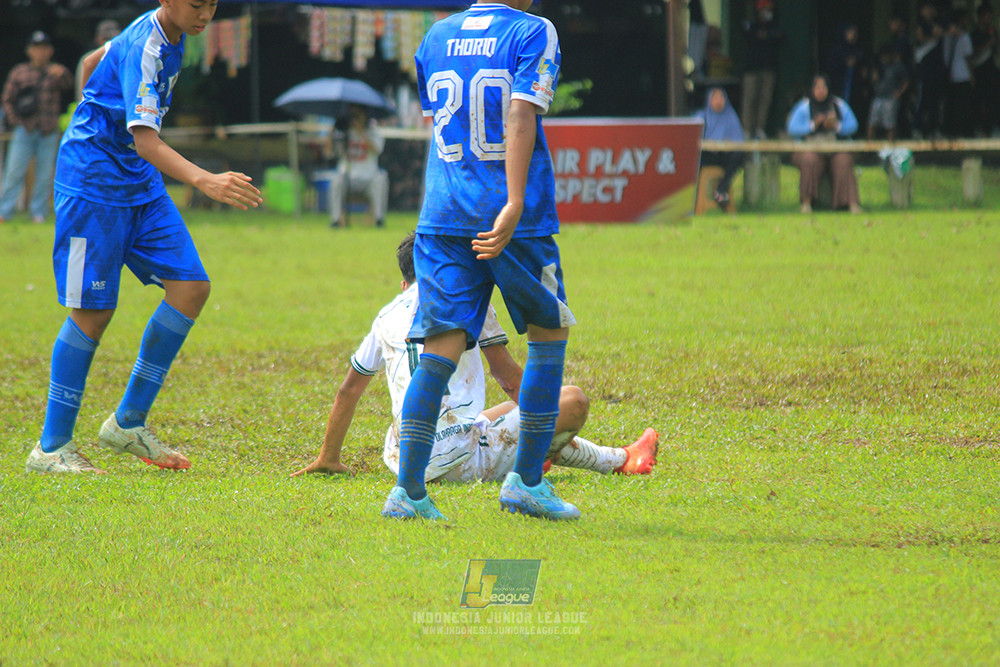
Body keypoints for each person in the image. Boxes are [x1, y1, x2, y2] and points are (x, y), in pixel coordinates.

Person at [24, 0, 263, 474]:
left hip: (139, 182)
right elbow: (145, 140)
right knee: (93, 313)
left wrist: (96, 94)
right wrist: (204, 180)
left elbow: (94, 61)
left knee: (191, 287)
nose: (205, 14)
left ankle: (128, 421)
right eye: (196, 4)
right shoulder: (148, 44)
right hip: (93, 184)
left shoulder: (169, 36)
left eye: (212, 4)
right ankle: (50, 449)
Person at [385, 0, 576, 521]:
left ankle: (408, 493)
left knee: (441, 346)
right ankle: (527, 483)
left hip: (443, 214)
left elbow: (444, 126)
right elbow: (519, 113)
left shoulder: (436, 37)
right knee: (547, 333)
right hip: (512, 218)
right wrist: (513, 201)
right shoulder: (533, 30)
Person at [292, 233, 658, 483]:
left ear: (405, 283)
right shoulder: (467, 298)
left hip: (403, 457)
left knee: (489, 417)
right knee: (571, 401)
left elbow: (348, 391)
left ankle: (621, 457)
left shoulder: (385, 315)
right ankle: (613, 460)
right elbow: (510, 380)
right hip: (456, 459)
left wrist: (328, 458)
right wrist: (546, 427)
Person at [0, 31, 73, 224]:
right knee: (14, 171)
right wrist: (15, 121)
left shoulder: (56, 71)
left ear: (50, 51)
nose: (40, 52)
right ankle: (4, 212)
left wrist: (63, 73)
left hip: (48, 129)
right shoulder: (19, 71)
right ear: (29, 51)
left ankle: (38, 213)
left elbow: (70, 88)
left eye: (44, 48)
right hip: (24, 129)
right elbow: (7, 99)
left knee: (45, 174)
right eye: (36, 48)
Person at [787, 74, 862, 215]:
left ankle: (850, 204)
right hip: (810, 148)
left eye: (823, 87)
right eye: (817, 87)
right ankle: (806, 203)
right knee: (809, 160)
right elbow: (792, 128)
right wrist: (812, 125)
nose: (820, 90)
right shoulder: (804, 106)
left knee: (843, 161)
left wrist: (836, 126)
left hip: (835, 147)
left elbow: (853, 125)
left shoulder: (838, 105)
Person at [328, 104, 388, 228]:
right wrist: (333, 132)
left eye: (358, 115)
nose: (354, 118)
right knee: (336, 180)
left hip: (368, 178)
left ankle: (379, 219)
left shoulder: (374, 132)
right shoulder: (344, 133)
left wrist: (360, 132)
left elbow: (377, 150)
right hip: (347, 176)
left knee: (381, 179)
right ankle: (336, 219)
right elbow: (330, 152)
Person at [740, 0, 784, 139]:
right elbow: (747, 36)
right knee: (750, 99)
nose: (767, 12)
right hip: (752, 69)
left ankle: (760, 128)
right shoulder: (751, 25)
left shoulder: (774, 25)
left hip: (769, 69)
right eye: (764, 9)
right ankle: (747, 130)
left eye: (769, 9)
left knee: (765, 99)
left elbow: (780, 37)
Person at [695, 87, 744, 207]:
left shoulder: (731, 117)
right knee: (695, 159)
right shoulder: (702, 116)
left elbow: (738, 140)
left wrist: (728, 143)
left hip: (724, 155)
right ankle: (695, 200)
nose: (719, 101)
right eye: (715, 97)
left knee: (739, 155)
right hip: (707, 155)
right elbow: (693, 139)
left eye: (721, 97)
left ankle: (721, 190)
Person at [866, 44, 909, 141]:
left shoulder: (897, 66)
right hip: (877, 97)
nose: (884, 58)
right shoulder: (877, 65)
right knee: (872, 123)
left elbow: (906, 81)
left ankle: (889, 149)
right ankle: (868, 149)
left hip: (890, 99)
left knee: (890, 125)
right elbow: (871, 81)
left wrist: (899, 93)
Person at [913, 16, 946, 139]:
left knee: (935, 105)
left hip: (936, 77)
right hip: (924, 77)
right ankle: (917, 129)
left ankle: (935, 130)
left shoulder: (939, 42)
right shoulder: (922, 44)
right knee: (921, 103)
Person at [942, 9, 974, 138]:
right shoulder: (964, 36)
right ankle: (961, 130)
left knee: (952, 104)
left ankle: (951, 129)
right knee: (961, 104)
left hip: (950, 74)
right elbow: (968, 57)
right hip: (963, 74)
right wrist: (972, 75)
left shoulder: (946, 36)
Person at [970, 4, 999, 137]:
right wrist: (988, 43)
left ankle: (993, 127)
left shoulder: (992, 32)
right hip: (979, 71)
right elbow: (973, 54)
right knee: (979, 100)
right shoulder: (974, 34)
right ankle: (979, 128)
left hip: (992, 70)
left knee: (993, 99)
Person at [76, 20, 121, 100]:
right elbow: (81, 95)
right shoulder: (89, 58)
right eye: (105, 39)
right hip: (96, 105)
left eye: (112, 39)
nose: (108, 42)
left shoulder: (125, 57)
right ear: (97, 39)